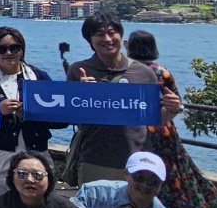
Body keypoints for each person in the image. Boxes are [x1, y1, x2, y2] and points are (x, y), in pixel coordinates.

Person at [125, 30, 217, 208]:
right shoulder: (162, 72)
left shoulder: (130, 72)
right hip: (165, 130)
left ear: (130, 47)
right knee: (182, 174)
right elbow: (175, 102)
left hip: (139, 131)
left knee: (142, 174)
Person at [67, 12, 181, 185]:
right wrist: (81, 94)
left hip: (137, 161)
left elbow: (156, 118)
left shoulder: (144, 72)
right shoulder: (79, 70)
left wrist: (172, 108)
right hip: (94, 159)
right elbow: (69, 116)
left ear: (121, 35)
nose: (107, 38)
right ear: (89, 40)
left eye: (112, 32)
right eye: (99, 34)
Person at [0, 26, 66, 191]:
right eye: (2, 48)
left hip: (36, 154)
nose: (8, 53)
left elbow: (61, 119)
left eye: (14, 48)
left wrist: (32, 112)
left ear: (22, 50)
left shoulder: (39, 78)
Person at [0, 149, 83, 208]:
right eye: (22, 174)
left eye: (37, 175)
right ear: (12, 178)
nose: (29, 180)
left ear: (49, 180)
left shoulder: (63, 207)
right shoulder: (3, 204)